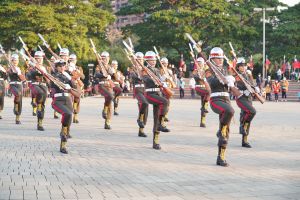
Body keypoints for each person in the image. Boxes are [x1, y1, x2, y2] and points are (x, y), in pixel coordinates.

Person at [206, 47, 240, 167]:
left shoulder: (225, 70)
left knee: (226, 134)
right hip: (216, 100)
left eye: (220, 58)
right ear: (212, 58)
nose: (219, 60)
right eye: (217, 58)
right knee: (230, 111)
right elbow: (212, 82)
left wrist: (231, 82)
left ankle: (221, 157)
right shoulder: (209, 69)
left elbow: (230, 84)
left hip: (226, 99)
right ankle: (220, 131)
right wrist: (224, 80)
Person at [51, 60, 80, 154]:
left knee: (69, 121)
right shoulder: (53, 76)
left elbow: (76, 91)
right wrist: (64, 84)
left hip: (68, 100)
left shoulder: (67, 76)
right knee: (66, 114)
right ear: (56, 67)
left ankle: (63, 145)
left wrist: (72, 80)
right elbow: (54, 81)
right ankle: (62, 135)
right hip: (57, 100)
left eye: (63, 66)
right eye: (59, 66)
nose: (62, 67)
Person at [143, 51, 170, 150]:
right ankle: (161, 123)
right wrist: (158, 80)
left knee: (156, 117)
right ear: (147, 60)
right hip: (150, 94)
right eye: (151, 60)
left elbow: (160, 81)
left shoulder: (157, 70)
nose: (153, 61)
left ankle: (156, 142)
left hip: (158, 93)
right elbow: (146, 80)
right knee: (165, 102)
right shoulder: (145, 70)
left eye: (154, 60)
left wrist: (164, 79)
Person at [234, 57, 258, 148]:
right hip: (241, 97)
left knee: (247, 118)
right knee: (250, 112)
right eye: (241, 66)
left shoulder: (247, 74)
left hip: (248, 98)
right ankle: (241, 126)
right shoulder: (237, 75)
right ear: (238, 67)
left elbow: (252, 84)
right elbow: (242, 84)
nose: (243, 67)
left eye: (244, 66)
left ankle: (244, 140)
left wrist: (255, 87)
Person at [27, 51, 48, 131]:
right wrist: (34, 69)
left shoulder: (44, 67)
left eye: (40, 59)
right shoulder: (31, 67)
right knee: (40, 93)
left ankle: (40, 123)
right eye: (37, 59)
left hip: (43, 86)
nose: (39, 60)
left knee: (42, 105)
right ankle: (35, 103)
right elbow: (28, 76)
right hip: (34, 85)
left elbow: (47, 79)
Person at [129, 52, 149, 137]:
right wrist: (139, 76)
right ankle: (139, 119)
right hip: (138, 90)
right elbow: (132, 78)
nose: (139, 60)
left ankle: (141, 130)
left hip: (146, 90)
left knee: (146, 110)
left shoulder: (146, 69)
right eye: (138, 59)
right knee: (144, 103)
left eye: (141, 59)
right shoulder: (133, 69)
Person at [94, 51, 114, 129]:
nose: (105, 60)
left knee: (110, 103)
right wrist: (103, 75)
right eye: (103, 58)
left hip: (109, 85)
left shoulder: (109, 67)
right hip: (102, 85)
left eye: (106, 58)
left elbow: (114, 76)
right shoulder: (99, 66)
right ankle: (104, 109)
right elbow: (96, 74)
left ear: (109, 58)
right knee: (110, 96)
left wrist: (112, 73)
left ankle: (107, 122)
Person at [7, 54, 26, 124]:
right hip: (13, 85)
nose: (15, 61)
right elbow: (8, 74)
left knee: (20, 102)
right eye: (14, 60)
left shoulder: (20, 68)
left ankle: (17, 118)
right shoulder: (9, 68)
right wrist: (13, 71)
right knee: (17, 95)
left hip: (19, 85)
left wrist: (22, 78)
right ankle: (15, 104)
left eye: (16, 60)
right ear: (12, 61)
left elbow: (23, 77)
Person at [193, 57, 211, 127]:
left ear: (203, 63)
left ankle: (202, 122)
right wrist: (199, 75)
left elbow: (209, 78)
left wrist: (204, 75)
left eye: (201, 62)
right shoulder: (195, 70)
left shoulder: (206, 70)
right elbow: (195, 78)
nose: (199, 63)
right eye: (198, 62)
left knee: (203, 104)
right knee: (208, 92)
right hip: (199, 87)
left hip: (205, 88)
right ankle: (204, 107)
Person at [68, 54, 85, 123]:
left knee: (77, 99)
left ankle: (75, 117)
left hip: (77, 83)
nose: (72, 61)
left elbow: (83, 77)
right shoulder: (66, 67)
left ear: (76, 60)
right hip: (69, 83)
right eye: (71, 60)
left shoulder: (79, 68)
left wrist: (78, 71)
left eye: (73, 60)